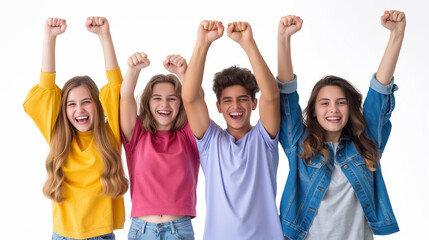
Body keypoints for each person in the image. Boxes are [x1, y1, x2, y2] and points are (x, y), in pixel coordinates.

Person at [277, 10, 405, 240]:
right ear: (314, 112)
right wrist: (283, 39)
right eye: (324, 103)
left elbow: (379, 94)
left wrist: (396, 35)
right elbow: (287, 95)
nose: (333, 109)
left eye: (340, 103)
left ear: (350, 108)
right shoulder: (300, 145)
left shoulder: (366, 144)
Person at [23, 17, 128, 240]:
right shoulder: (57, 134)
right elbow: (45, 90)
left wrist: (104, 36)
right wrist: (49, 38)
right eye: (71, 104)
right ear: (64, 110)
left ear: (99, 106)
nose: (79, 109)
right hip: (64, 235)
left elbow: (117, 88)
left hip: (102, 234)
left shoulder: (111, 135)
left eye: (87, 101)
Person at [182, 20, 284, 239]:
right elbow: (189, 98)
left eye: (243, 99)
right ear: (218, 107)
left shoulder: (264, 139)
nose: (235, 106)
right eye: (227, 101)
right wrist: (202, 43)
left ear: (254, 103)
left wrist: (248, 43)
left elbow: (272, 96)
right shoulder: (210, 141)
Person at [120, 52, 199, 240]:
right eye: (157, 98)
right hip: (141, 230)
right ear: (148, 102)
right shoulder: (137, 135)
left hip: (178, 230)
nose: (165, 104)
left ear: (181, 103)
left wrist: (184, 74)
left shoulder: (188, 135)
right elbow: (126, 98)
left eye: (172, 98)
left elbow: (195, 101)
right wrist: (133, 70)